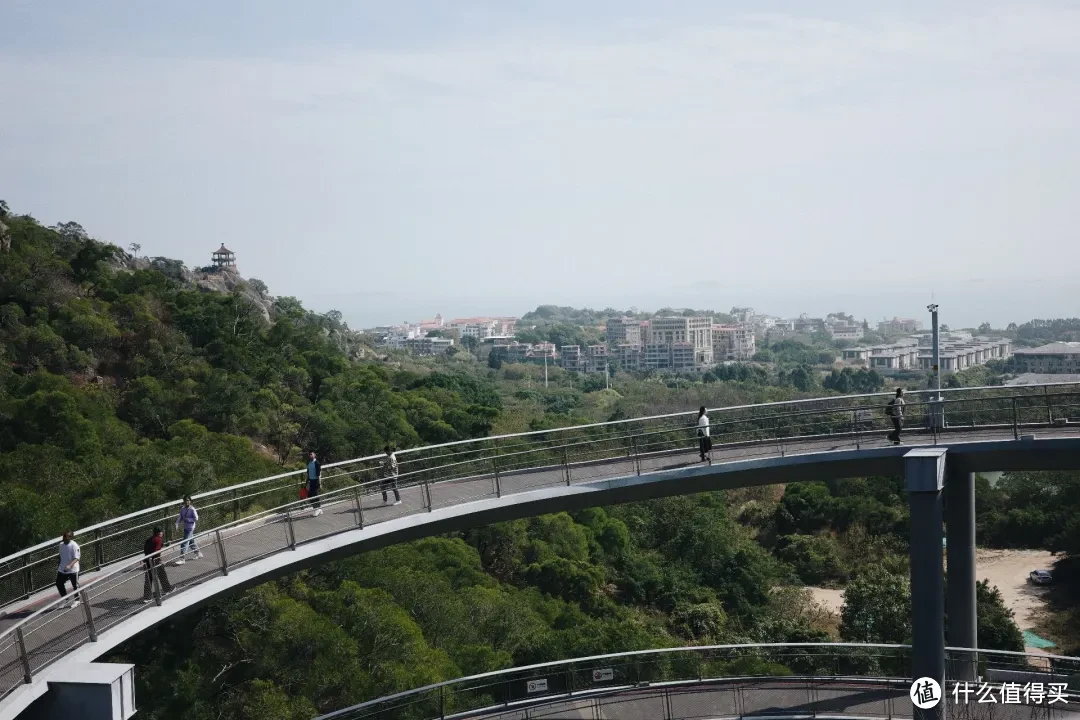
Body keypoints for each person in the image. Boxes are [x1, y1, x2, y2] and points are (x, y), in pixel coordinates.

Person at [142, 528, 173, 604]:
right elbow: (156, 551)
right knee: (162, 575)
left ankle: (147, 597)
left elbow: (147, 549)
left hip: (147, 561)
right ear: (159, 533)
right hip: (155, 561)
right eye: (161, 532)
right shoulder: (158, 539)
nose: (162, 534)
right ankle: (167, 589)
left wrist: (165, 544)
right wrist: (159, 560)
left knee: (149, 579)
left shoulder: (150, 539)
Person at [56, 531, 81, 608]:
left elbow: (77, 558)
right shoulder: (61, 545)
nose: (63, 538)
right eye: (63, 536)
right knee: (59, 583)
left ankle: (77, 600)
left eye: (65, 536)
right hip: (62, 569)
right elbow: (61, 555)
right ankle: (65, 599)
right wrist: (60, 564)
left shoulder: (74, 546)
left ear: (70, 537)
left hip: (73, 569)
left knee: (75, 585)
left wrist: (70, 566)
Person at [174, 495, 202, 564]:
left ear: (190, 501)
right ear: (184, 501)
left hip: (190, 528)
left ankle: (182, 559)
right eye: (186, 500)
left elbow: (196, 519)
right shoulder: (183, 509)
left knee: (184, 543)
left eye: (188, 500)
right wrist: (177, 524)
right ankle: (199, 553)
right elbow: (180, 517)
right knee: (191, 542)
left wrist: (188, 519)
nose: (187, 502)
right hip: (186, 527)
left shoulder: (192, 509)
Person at [307, 450, 322, 516]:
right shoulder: (309, 463)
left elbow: (319, 474)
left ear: (314, 455)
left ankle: (317, 509)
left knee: (315, 495)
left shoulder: (317, 463)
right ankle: (318, 509)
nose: (310, 455)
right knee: (310, 495)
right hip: (311, 481)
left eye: (311, 454)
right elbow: (308, 474)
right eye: (309, 454)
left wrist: (320, 483)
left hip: (316, 481)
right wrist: (307, 482)